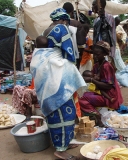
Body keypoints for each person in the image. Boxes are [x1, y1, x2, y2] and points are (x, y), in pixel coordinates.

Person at [30, 8, 86, 160]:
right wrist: (71, 65)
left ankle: (63, 142)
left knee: (54, 108)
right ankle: (60, 149)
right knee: (64, 107)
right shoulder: (61, 28)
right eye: (67, 22)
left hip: (46, 72)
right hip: (56, 72)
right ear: (64, 20)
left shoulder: (46, 29)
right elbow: (69, 51)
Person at [79, 41, 123, 127]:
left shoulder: (106, 66)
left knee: (82, 98)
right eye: (94, 54)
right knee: (82, 95)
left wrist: (92, 80)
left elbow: (108, 86)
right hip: (101, 93)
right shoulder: (96, 66)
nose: (95, 56)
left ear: (104, 54)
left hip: (110, 96)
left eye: (97, 54)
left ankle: (97, 116)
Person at [12, 36, 48, 118]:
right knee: (17, 88)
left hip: (43, 90)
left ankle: (29, 114)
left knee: (27, 92)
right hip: (34, 88)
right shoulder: (36, 55)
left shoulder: (47, 57)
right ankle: (21, 111)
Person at [63, 2, 90, 69]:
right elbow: (81, 42)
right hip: (72, 56)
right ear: (72, 12)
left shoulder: (56, 23)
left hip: (60, 57)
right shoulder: (76, 23)